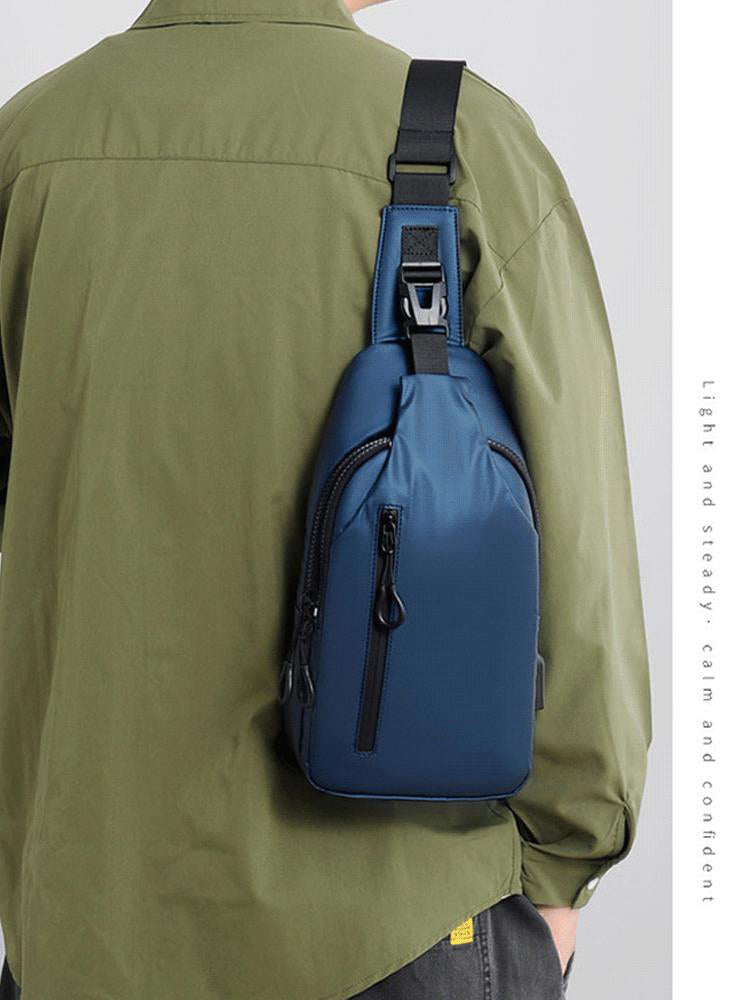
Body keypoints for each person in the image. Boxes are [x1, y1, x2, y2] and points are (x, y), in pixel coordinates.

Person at [0, 2, 651, 998]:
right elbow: (581, 554)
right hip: (402, 919)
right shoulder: (460, 143)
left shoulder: (32, 144)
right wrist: (565, 869)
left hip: (89, 925)